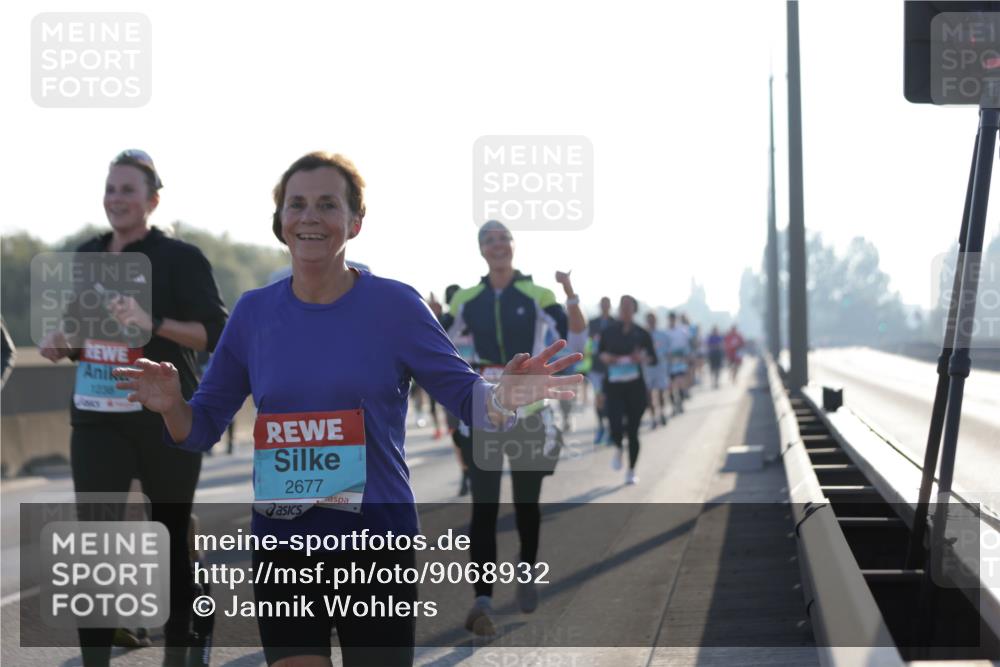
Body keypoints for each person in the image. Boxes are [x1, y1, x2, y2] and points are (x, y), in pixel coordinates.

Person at [115, 154, 581, 667]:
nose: (309, 217)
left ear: (355, 221)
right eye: (297, 204)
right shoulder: (252, 313)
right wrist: (172, 405)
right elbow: (201, 427)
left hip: (375, 544)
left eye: (327, 204)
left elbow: (465, 395)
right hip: (284, 546)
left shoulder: (396, 306)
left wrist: (502, 397)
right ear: (280, 221)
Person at [37, 149, 229, 667]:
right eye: (110, 189)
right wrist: (62, 342)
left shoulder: (181, 258)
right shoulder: (87, 254)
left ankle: (182, 646)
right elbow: (80, 328)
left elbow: (214, 332)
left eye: (127, 189)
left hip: (163, 415)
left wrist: (152, 322)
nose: (116, 198)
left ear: (153, 200)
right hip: (96, 416)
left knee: (171, 536)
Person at [441, 220, 587, 636]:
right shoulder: (467, 299)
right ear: (481, 250)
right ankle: (482, 598)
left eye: (504, 238)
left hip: (530, 413)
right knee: (483, 508)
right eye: (489, 240)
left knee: (526, 504)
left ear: (513, 245)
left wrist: (570, 295)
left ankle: (526, 571)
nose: (498, 245)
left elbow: (576, 337)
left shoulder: (537, 294)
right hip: (486, 411)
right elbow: (437, 343)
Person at [598, 296, 657, 485]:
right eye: (622, 306)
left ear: (634, 310)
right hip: (614, 385)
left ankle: (631, 470)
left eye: (628, 307)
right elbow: (599, 353)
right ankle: (618, 446)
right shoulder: (608, 331)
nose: (625, 310)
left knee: (633, 430)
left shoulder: (641, 333)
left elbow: (653, 358)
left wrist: (642, 358)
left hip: (635, 386)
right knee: (614, 424)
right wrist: (607, 358)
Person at [429, 284, 472, 496]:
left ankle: (467, 471)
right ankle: (466, 472)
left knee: (461, 435)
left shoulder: (474, 321)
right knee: (458, 434)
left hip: (468, 387)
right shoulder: (444, 325)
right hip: (456, 389)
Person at [587, 297, 615, 444]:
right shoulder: (592, 323)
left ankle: (611, 430)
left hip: (611, 369)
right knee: (598, 399)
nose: (604, 307)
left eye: (607, 304)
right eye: (602, 304)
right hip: (596, 368)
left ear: (610, 306)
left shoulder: (615, 323)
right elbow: (587, 343)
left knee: (610, 399)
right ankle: (601, 427)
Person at [643, 312, 670, 429]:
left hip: (660, 367)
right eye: (649, 319)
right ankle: (653, 418)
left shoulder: (662, 335)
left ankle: (662, 413)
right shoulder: (643, 335)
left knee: (660, 393)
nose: (651, 321)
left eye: (653, 319)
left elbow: (667, 351)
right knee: (649, 394)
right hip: (648, 369)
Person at [665, 312, 691, 415]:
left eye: (673, 319)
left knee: (680, 383)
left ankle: (680, 403)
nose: (672, 320)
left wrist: (686, 357)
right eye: (670, 319)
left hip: (680, 361)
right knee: (671, 386)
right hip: (670, 362)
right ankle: (673, 406)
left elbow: (686, 345)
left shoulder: (682, 331)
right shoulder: (666, 333)